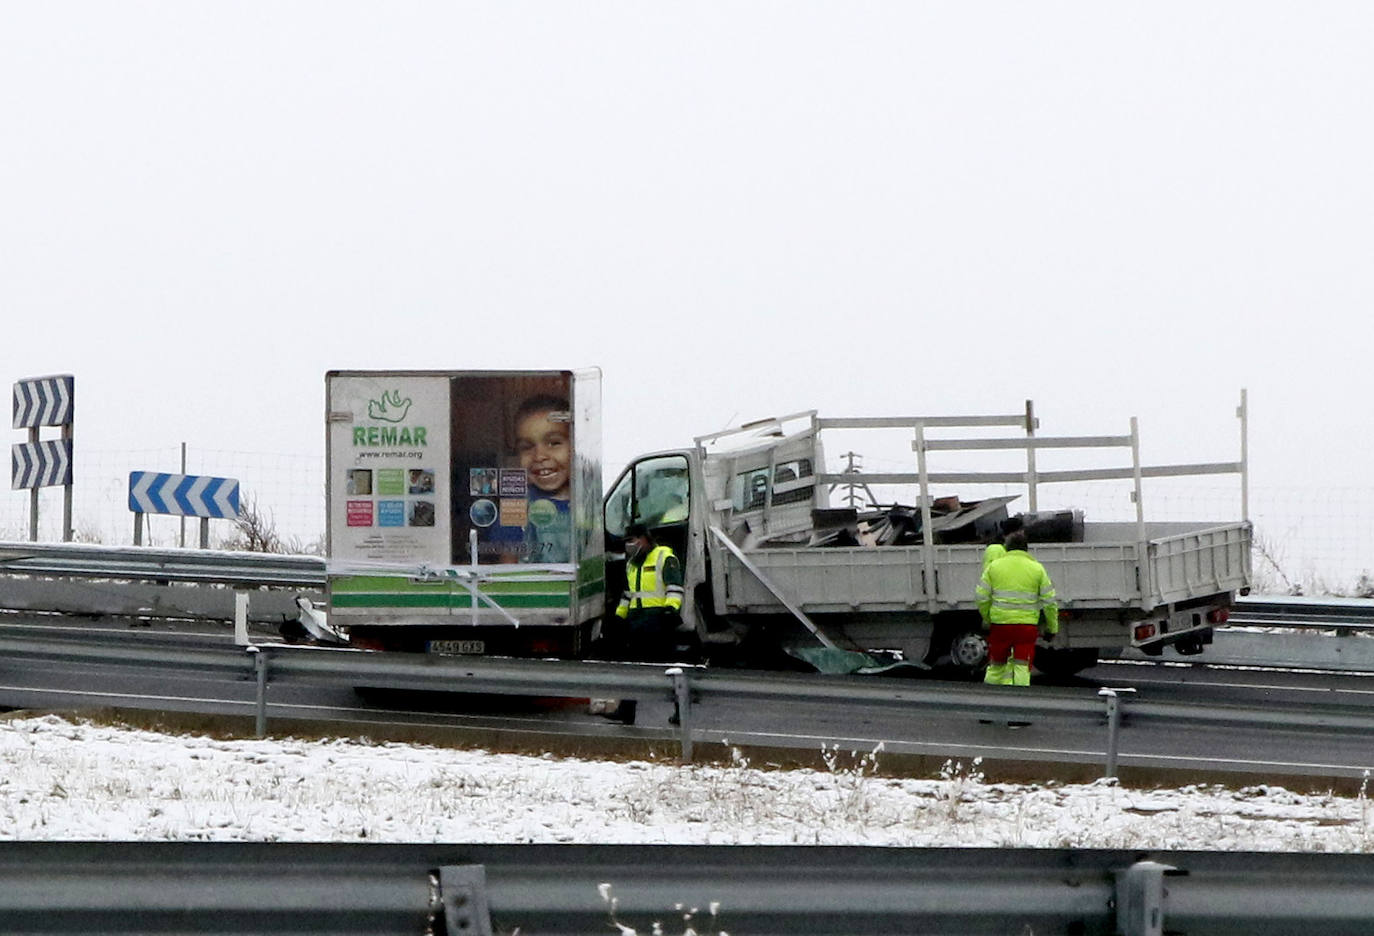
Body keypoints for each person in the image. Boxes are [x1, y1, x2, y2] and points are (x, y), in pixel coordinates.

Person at [603, 522, 687, 724]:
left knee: (668, 670)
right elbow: (628, 594)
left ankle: (681, 712)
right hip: (636, 622)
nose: (630, 545)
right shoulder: (632, 563)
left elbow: (674, 588)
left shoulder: (664, 557)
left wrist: (670, 611)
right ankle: (626, 711)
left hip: (659, 621)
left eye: (633, 540)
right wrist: (619, 617)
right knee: (631, 669)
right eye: (627, 541)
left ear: (645, 539)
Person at [976, 529, 1058, 687]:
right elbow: (1050, 602)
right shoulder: (1037, 569)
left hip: (1000, 626)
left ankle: (989, 698)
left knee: (996, 666)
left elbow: (981, 597)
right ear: (1026, 549)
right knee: (1022, 666)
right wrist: (1051, 628)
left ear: (1006, 548)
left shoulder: (994, 567)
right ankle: (1021, 700)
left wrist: (988, 617)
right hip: (1026, 627)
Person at [514, 395, 572, 563]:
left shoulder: (587, 503)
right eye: (527, 447)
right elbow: (505, 567)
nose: (539, 456)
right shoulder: (517, 506)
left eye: (554, 443)